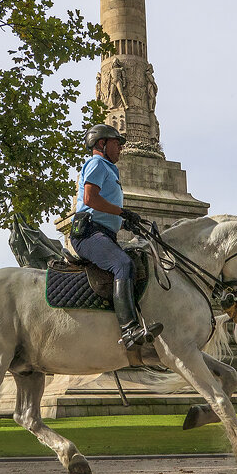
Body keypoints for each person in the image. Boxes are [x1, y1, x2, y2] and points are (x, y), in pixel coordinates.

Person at [71, 123, 162, 351]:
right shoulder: (97, 163)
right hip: (89, 233)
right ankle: (130, 330)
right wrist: (121, 212)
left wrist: (124, 221)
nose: (121, 148)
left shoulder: (109, 169)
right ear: (102, 144)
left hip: (103, 232)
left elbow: (102, 209)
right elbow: (90, 199)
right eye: (117, 143)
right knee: (123, 264)